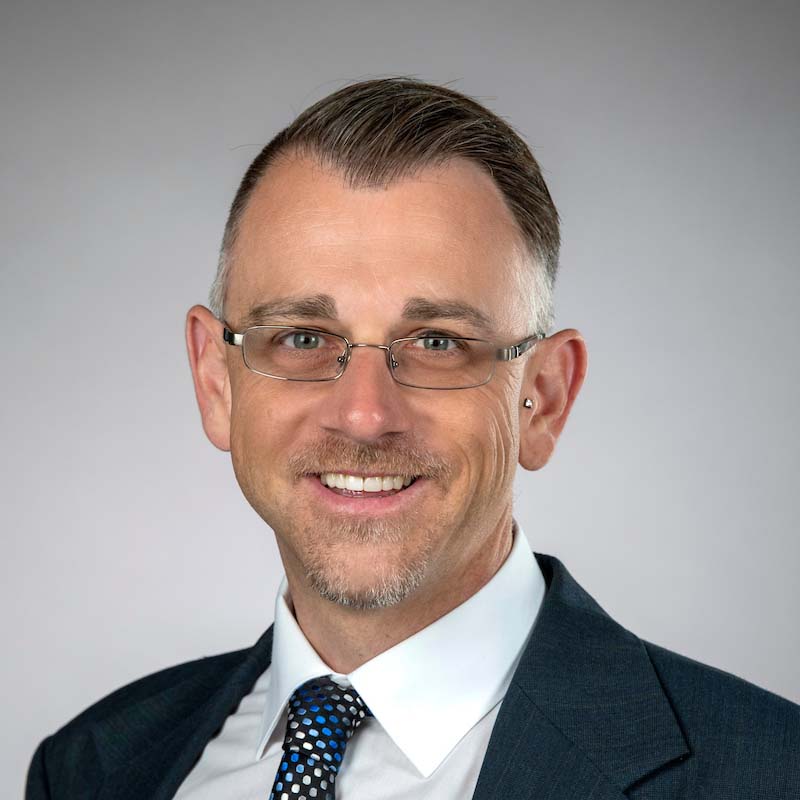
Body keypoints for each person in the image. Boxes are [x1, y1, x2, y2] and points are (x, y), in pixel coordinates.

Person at [27, 78, 799, 800]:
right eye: (301, 338)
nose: (364, 414)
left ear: (545, 399)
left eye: (437, 343)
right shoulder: (95, 765)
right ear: (217, 381)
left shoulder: (768, 773)